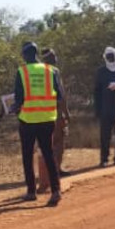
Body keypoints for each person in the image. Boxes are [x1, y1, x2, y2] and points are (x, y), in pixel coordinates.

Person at [14, 41, 63, 206]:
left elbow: (19, 99)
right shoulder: (51, 70)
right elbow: (59, 96)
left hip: (27, 120)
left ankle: (31, 191)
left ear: (24, 55)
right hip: (48, 119)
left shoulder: (21, 72)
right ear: (36, 54)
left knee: (27, 155)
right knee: (48, 154)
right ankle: (56, 190)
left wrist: (14, 108)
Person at [37, 47, 70, 192]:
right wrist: (66, 113)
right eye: (54, 56)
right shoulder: (54, 71)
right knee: (57, 142)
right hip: (54, 112)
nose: (56, 58)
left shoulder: (37, 72)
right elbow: (60, 95)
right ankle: (54, 172)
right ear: (50, 58)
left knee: (45, 144)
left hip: (39, 113)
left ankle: (50, 172)